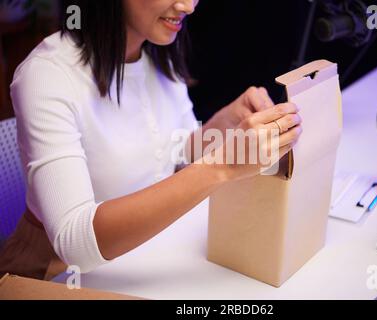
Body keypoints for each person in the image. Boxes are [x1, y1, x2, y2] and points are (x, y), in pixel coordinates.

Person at [0, 0, 302, 280]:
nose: (189, 6)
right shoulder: (47, 75)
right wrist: (222, 167)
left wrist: (225, 125)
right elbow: (75, 243)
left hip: (150, 255)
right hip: (60, 273)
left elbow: (174, 156)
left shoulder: (156, 51)